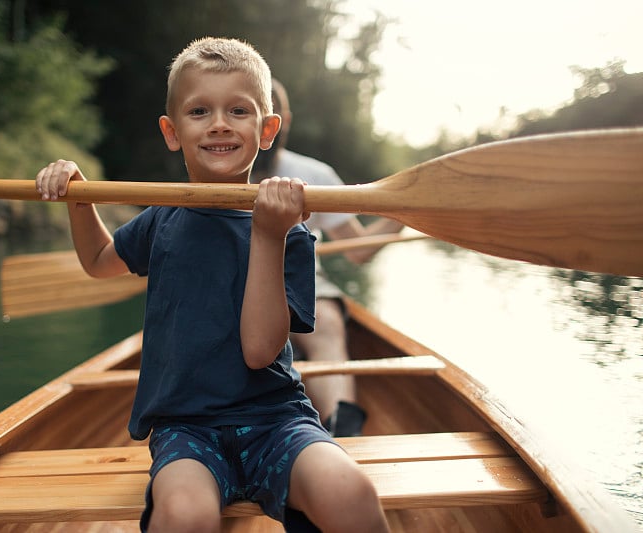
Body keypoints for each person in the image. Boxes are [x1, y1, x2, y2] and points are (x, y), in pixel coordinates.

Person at [36, 37, 390, 533]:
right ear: (172, 131)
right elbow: (98, 261)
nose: (219, 123)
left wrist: (268, 233)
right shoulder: (162, 219)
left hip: (276, 419)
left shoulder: (290, 233)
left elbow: (260, 351)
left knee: (350, 493)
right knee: (185, 515)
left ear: (267, 131)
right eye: (199, 110)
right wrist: (78, 197)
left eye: (238, 110)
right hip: (187, 426)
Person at [252, 79, 404, 437]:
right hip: (233, 286)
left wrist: (404, 210)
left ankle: (342, 426)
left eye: (266, 115)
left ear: (282, 120)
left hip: (308, 287)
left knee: (328, 325)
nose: (259, 125)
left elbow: (358, 249)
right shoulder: (212, 176)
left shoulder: (315, 176)